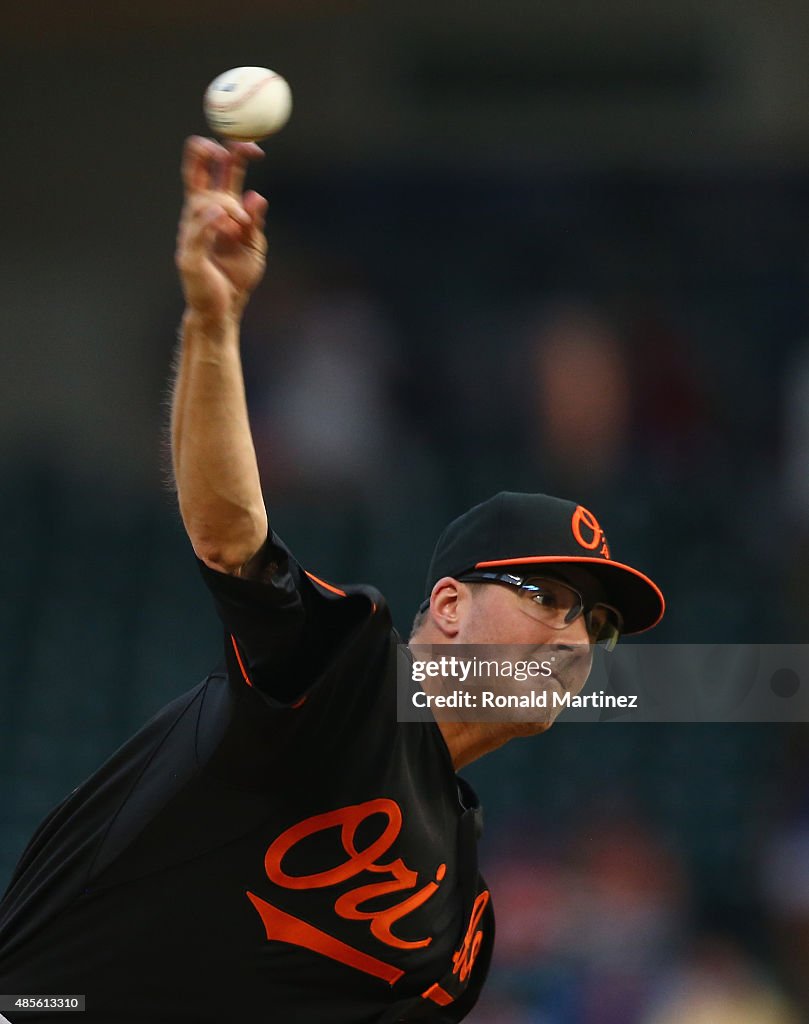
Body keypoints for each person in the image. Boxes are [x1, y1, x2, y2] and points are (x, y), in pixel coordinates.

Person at [0, 137, 665, 1023]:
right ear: (449, 605)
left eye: (596, 624)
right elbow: (231, 534)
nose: (576, 639)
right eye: (546, 596)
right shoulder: (344, 676)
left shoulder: (460, 918)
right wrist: (215, 319)